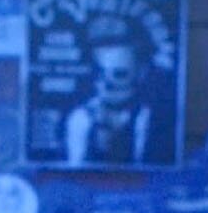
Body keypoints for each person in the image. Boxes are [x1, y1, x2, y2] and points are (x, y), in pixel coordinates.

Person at [62, 25, 159, 166]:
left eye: (119, 74)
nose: (107, 83)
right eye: (100, 73)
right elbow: (74, 169)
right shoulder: (81, 118)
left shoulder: (148, 118)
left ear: (140, 73)